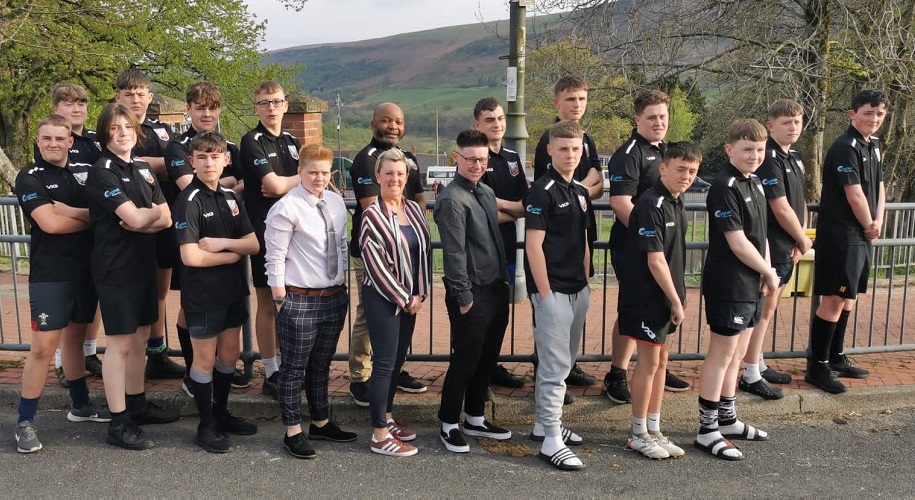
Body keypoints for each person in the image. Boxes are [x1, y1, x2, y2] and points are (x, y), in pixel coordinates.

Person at [13, 115, 110, 453]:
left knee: (76, 339)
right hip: (51, 273)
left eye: (59, 138)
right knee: (42, 348)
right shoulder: (29, 176)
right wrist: (91, 219)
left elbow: (105, 210)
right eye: (47, 138)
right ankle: (24, 421)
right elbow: (50, 225)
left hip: (87, 271)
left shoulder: (88, 171)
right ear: (37, 141)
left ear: (70, 141)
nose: (53, 143)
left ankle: (80, 405)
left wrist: (71, 211)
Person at [87, 103, 179, 450]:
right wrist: (146, 217)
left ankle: (137, 404)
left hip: (143, 264)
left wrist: (145, 218)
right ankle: (118, 420)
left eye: (127, 126)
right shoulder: (103, 171)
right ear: (105, 134)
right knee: (121, 343)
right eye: (115, 128)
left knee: (140, 337)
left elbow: (166, 218)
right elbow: (141, 219)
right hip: (115, 268)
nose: (123, 132)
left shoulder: (142, 167)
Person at [265, 144, 358, 459]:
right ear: (300, 172)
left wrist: (342, 281)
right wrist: (280, 299)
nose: (319, 178)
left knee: (321, 364)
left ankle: (320, 422)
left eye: (324, 172)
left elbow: (341, 244)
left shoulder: (335, 202)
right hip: (299, 298)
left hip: (333, 296)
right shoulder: (286, 207)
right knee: (293, 368)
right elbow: (275, 257)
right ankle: (293, 431)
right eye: (312, 172)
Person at [173, 131, 260, 453]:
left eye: (215, 156)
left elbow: (253, 244)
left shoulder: (230, 197)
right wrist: (231, 256)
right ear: (192, 161)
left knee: (228, 356)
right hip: (203, 294)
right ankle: (206, 424)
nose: (209, 163)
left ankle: (221, 413)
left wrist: (223, 244)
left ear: (226, 160)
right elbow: (191, 257)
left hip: (233, 290)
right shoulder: (189, 201)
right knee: (204, 360)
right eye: (202, 157)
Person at [695, 119, 777, 461]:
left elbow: (761, 236)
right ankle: (707, 429)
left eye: (759, 150)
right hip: (729, 282)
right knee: (722, 354)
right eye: (747, 149)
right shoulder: (724, 185)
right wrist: (767, 271)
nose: (754, 156)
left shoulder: (755, 181)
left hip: (753, 281)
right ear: (730, 149)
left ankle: (727, 419)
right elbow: (738, 241)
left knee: (739, 352)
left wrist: (767, 271)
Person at [604, 90, 691, 404]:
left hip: (660, 246)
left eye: (663, 116)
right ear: (637, 118)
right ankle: (616, 373)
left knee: (660, 305)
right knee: (633, 309)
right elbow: (620, 202)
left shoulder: (667, 150)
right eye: (651, 117)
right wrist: (648, 235)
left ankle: (655, 365)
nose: (658, 122)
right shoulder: (629, 153)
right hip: (633, 246)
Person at [434, 130, 514, 453]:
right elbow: (454, 253)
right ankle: (448, 423)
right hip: (471, 293)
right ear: (457, 158)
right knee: (465, 360)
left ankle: (476, 417)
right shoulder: (452, 199)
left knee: (487, 358)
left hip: (495, 288)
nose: (477, 165)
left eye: (482, 159)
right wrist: (464, 297)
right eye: (471, 159)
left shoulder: (486, 191)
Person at [621, 142, 701, 460]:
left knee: (662, 362)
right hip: (646, 297)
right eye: (680, 169)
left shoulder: (675, 202)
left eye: (692, 171)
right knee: (649, 363)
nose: (686, 176)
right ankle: (637, 433)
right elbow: (655, 260)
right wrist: (675, 300)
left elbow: (671, 257)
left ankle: (654, 429)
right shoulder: (650, 203)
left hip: (667, 298)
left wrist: (678, 297)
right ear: (663, 168)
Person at [807, 89, 888, 394]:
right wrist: (869, 224)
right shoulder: (845, 147)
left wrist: (878, 220)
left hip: (863, 233)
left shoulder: (874, 144)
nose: (874, 119)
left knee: (849, 297)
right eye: (868, 113)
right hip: (842, 234)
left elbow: (879, 185)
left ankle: (836, 356)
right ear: (853, 114)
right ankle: (818, 366)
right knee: (834, 298)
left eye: (880, 114)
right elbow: (853, 193)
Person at [347, 103, 427, 406]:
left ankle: (395, 368)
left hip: (406, 248)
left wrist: (414, 229)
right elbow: (373, 208)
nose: (393, 126)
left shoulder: (409, 160)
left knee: (403, 312)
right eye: (386, 121)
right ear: (373, 125)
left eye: (399, 121)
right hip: (373, 251)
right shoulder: (366, 160)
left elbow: (419, 202)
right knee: (370, 312)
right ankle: (361, 376)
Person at [166, 81, 243, 391]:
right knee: (192, 307)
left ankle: (218, 371)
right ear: (189, 109)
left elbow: (245, 184)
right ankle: (193, 372)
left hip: (227, 230)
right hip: (193, 233)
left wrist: (228, 185)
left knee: (224, 307)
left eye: (213, 108)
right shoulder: (178, 146)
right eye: (200, 108)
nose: (207, 114)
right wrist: (230, 182)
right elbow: (191, 185)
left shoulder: (231, 146)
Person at [525, 120, 592, 471]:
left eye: (575, 149)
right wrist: (545, 294)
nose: (570, 154)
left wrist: (587, 282)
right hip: (552, 291)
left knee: (565, 362)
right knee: (554, 368)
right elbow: (533, 246)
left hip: (578, 288)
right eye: (563, 148)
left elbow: (584, 240)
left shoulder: (580, 191)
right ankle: (551, 438)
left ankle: (544, 424)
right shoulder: (541, 190)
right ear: (550, 150)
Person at [114, 68, 186, 380]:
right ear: (118, 96)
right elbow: (128, 164)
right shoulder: (116, 129)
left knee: (159, 291)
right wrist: (168, 165)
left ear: (150, 97)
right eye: (129, 94)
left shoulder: (163, 130)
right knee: (135, 294)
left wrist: (167, 166)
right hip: (131, 224)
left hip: (164, 218)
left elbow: (178, 164)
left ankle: (157, 354)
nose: (135, 99)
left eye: (141, 94)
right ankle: (130, 362)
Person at [360, 148, 431, 457]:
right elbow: (375, 266)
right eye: (388, 173)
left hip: (411, 299)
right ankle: (379, 435)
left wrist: (420, 293)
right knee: (384, 364)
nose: (395, 179)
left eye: (400, 173)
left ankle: (387, 418)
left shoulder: (413, 209)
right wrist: (404, 298)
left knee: (397, 360)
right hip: (383, 299)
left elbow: (424, 252)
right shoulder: (372, 215)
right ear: (378, 176)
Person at [533, 76, 601, 395]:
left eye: (582, 99)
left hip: (580, 242)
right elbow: (547, 190)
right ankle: (546, 379)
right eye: (571, 99)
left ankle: (565, 373)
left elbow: (599, 182)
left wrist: (580, 191)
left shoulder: (587, 139)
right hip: (554, 252)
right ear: (556, 102)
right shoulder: (548, 141)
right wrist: (581, 189)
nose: (577, 105)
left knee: (572, 324)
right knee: (550, 325)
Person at [739, 99, 812, 400]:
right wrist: (802, 239)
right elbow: (779, 206)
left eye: (797, 122)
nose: (793, 127)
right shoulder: (769, 158)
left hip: (789, 244)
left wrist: (800, 237)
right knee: (764, 310)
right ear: (770, 126)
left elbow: (800, 202)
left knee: (770, 309)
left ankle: (758, 362)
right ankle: (750, 372)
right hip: (772, 244)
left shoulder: (794, 157)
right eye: (786, 122)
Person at [38, 84, 104, 385]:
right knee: (65, 308)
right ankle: (62, 361)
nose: (76, 109)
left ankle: (88, 353)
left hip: (93, 236)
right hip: (63, 244)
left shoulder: (95, 142)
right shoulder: (53, 143)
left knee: (91, 301)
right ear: (55, 109)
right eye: (68, 104)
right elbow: (53, 210)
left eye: (81, 103)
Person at [239, 81, 301, 397]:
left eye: (276, 102)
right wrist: (298, 180)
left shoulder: (293, 142)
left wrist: (288, 183)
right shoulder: (252, 141)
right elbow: (273, 186)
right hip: (265, 232)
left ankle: (288, 365)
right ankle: (271, 371)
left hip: (296, 232)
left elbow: (292, 184)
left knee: (290, 301)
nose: (271, 108)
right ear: (256, 108)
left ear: (285, 105)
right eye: (264, 103)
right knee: (267, 301)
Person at [472, 97, 527, 390]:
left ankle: (491, 366)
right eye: (490, 120)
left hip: (507, 247)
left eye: (501, 118)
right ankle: (475, 370)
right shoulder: (475, 159)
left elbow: (525, 204)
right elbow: (480, 212)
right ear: (477, 124)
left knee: (500, 315)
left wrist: (501, 206)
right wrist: (511, 209)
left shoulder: (512, 157)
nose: (497, 124)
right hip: (481, 251)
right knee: (480, 315)